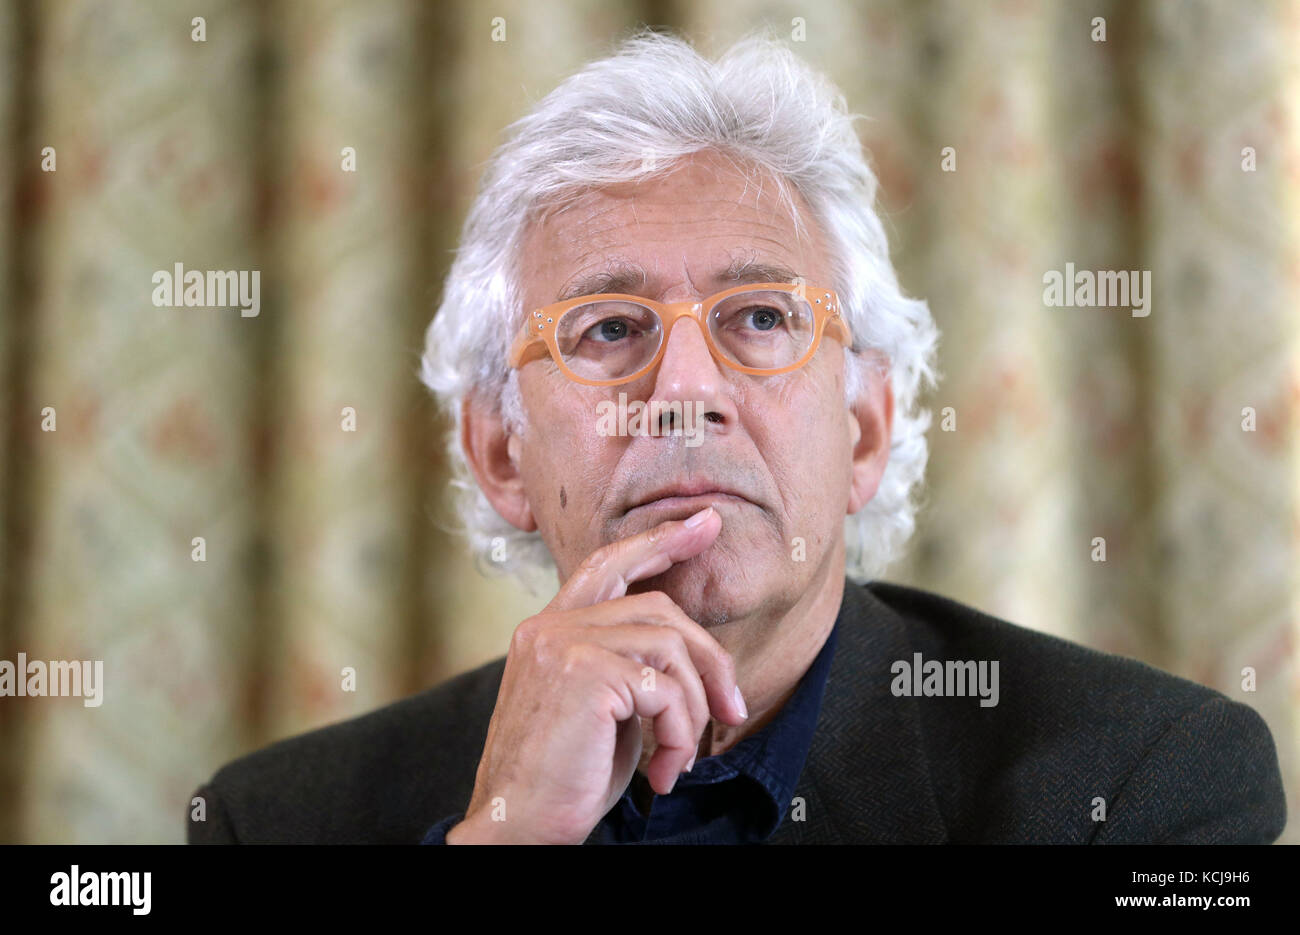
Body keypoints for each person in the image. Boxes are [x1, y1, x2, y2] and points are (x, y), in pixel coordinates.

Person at [188, 30, 1286, 845]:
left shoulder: (1144, 780)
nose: (683, 393)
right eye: (608, 330)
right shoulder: (277, 820)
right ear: (500, 452)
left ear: (864, 426)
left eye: (759, 318)